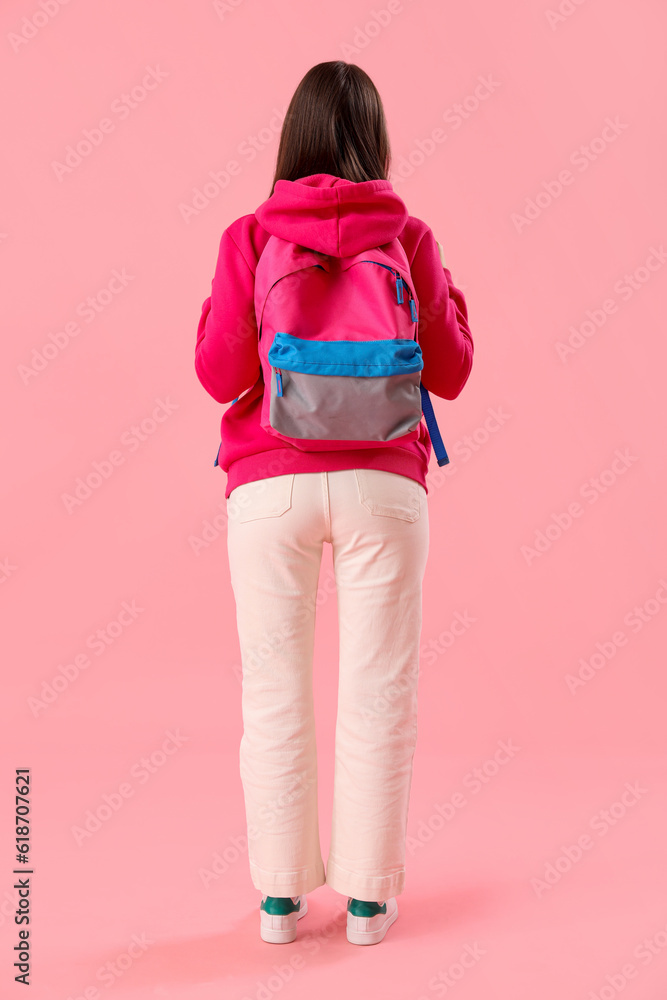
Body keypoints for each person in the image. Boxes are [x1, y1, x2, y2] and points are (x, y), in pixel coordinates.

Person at [194, 60, 474, 946]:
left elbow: (219, 375)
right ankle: (365, 902)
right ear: (375, 139)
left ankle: (280, 903)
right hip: (384, 489)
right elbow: (456, 372)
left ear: (292, 136)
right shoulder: (412, 236)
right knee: (377, 693)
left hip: (267, 489)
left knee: (274, 694)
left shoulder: (247, 235)